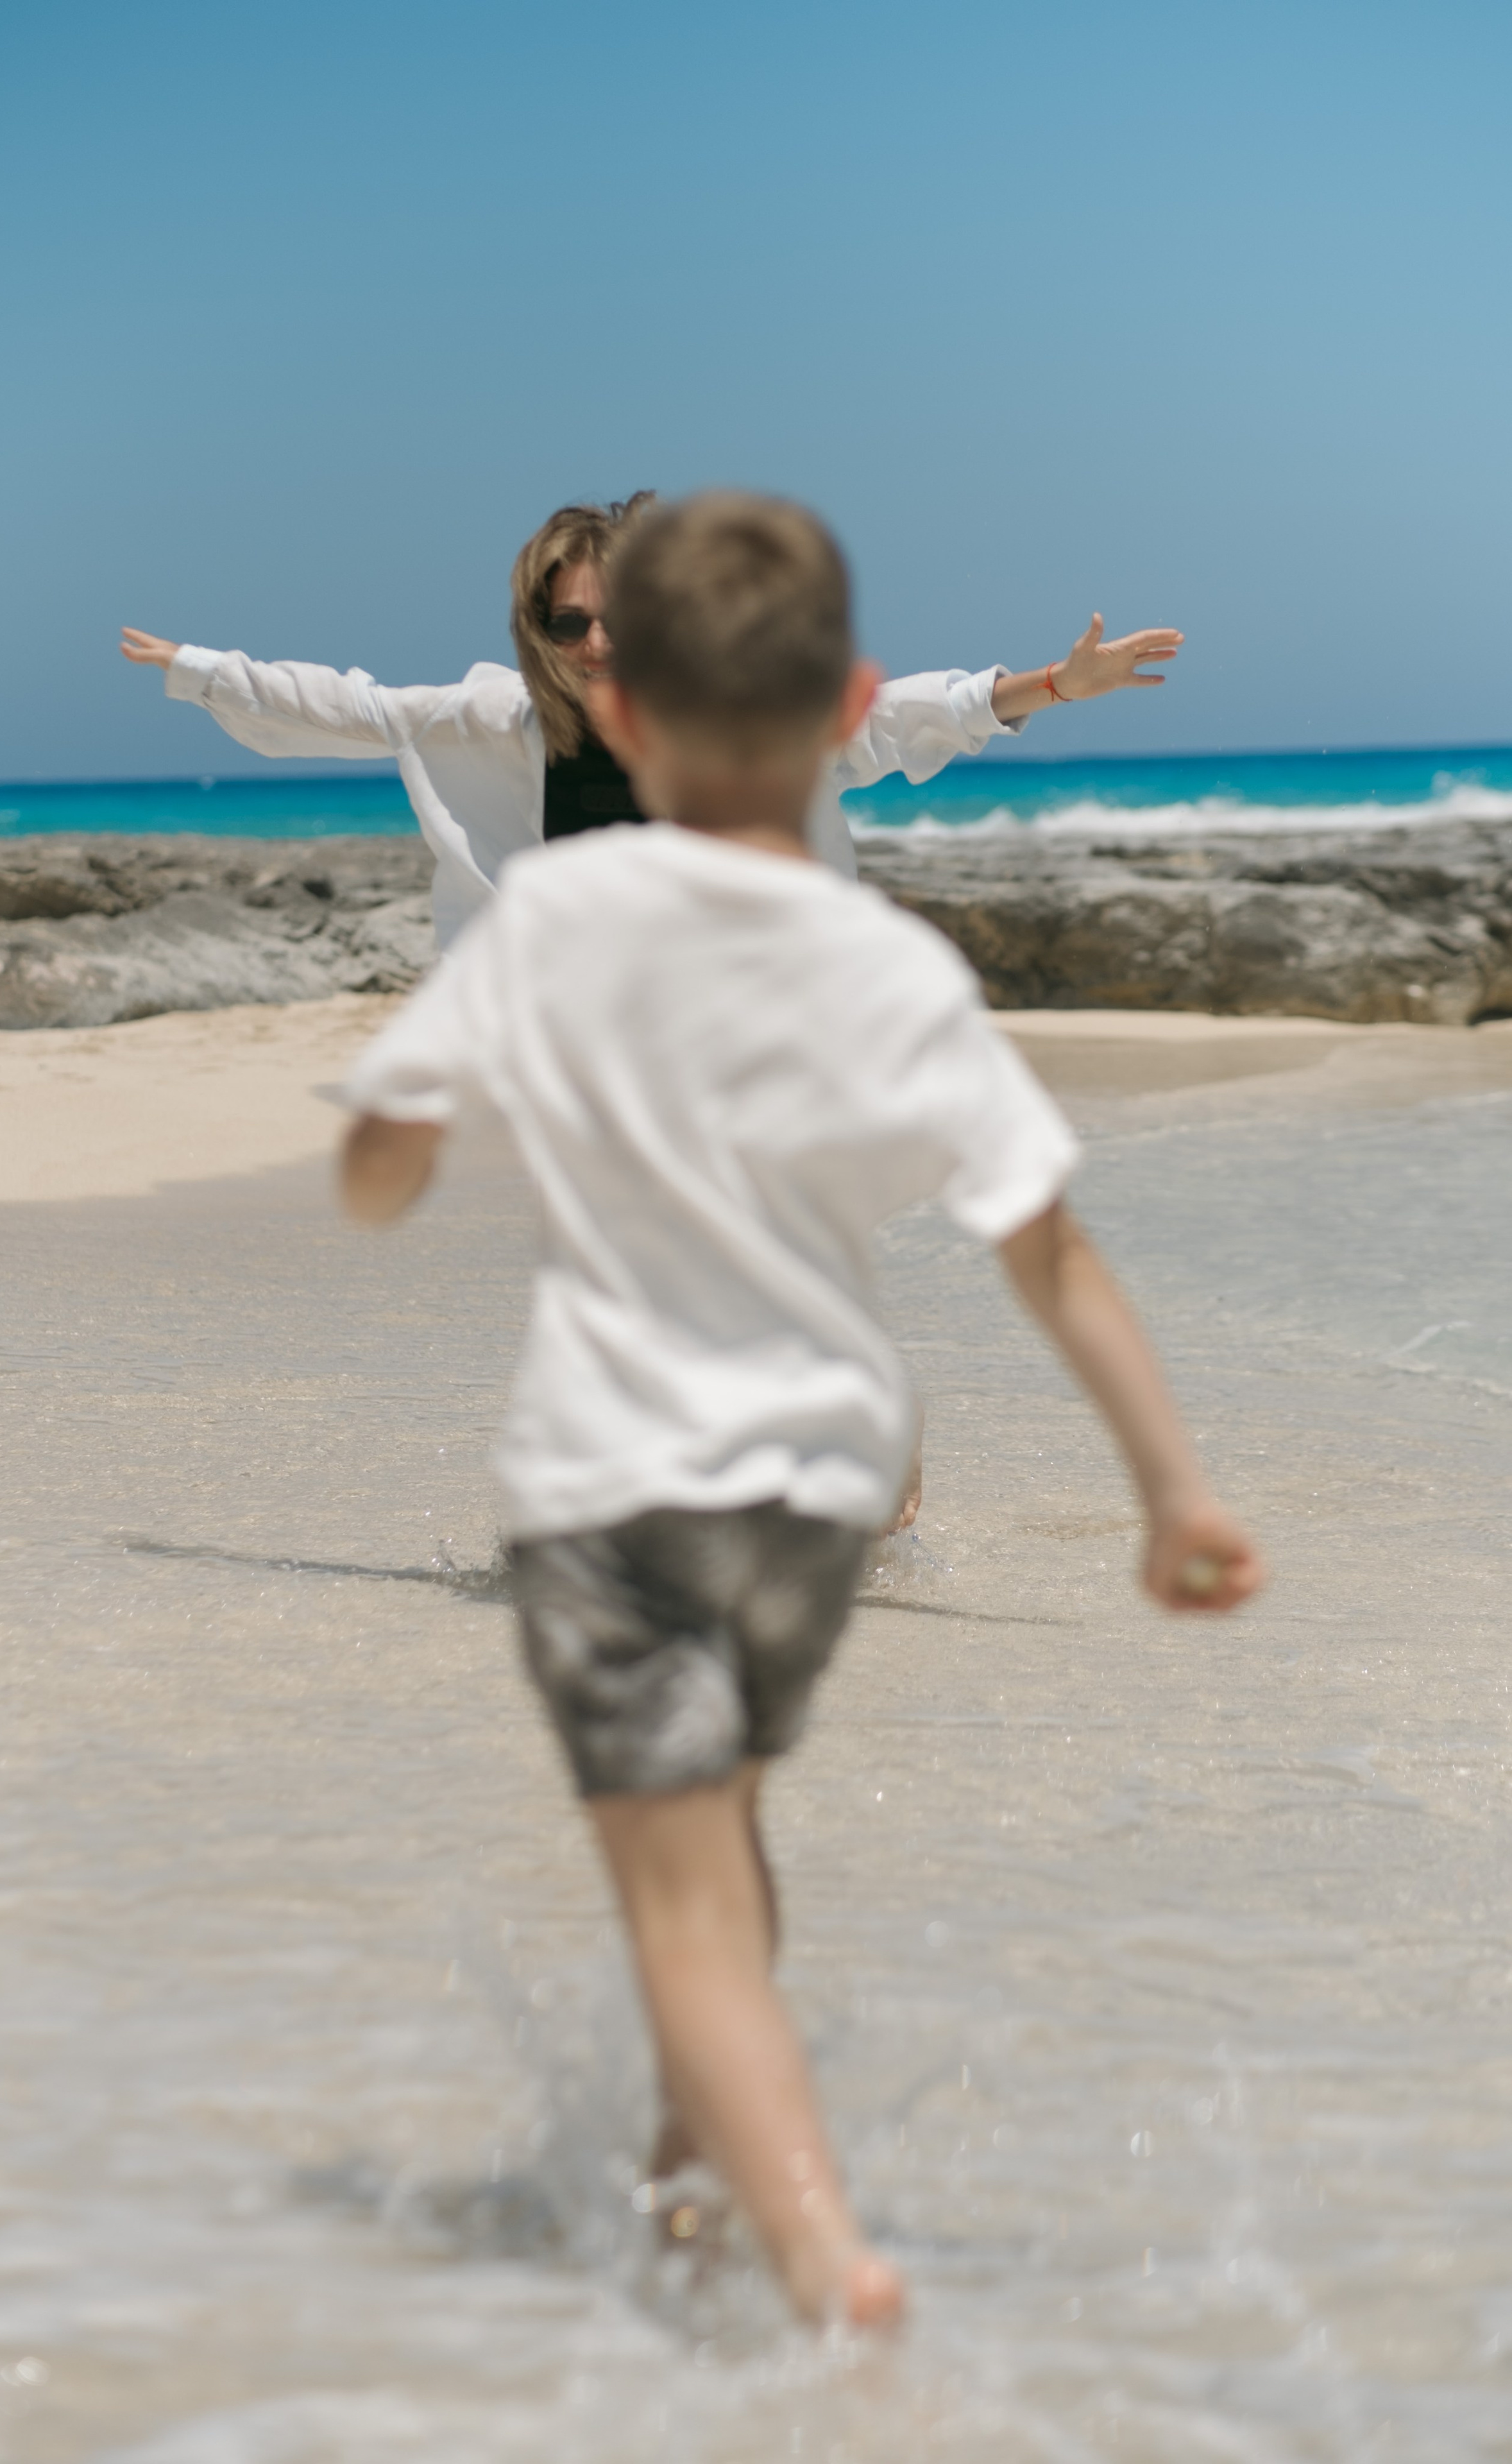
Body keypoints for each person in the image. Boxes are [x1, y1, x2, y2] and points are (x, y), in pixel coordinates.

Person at [334, 492, 1263, 2328]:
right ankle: (693, 2176)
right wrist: (1174, 1490)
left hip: (620, 1484)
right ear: (851, 715)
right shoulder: (892, 966)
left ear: (636, 715)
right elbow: (1048, 1250)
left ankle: (817, 2247)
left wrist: (399, 1137)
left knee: (674, 1891)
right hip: (823, 1496)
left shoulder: (555, 923)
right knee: (726, 1831)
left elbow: (382, 1169)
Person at [119, 494, 1183, 950]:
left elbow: (892, 724)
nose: (595, 642)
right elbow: (351, 706)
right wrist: (204, 670)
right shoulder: (497, 720)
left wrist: (1052, 684)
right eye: (569, 620)